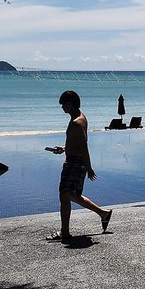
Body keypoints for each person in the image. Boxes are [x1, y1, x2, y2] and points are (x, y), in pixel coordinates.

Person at [47, 90, 112, 241]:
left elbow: (83, 146)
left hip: (75, 163)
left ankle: (65, 232)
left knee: (65, 195)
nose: (62, 107)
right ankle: (103, 213)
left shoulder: (77, 122)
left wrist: (89, 167)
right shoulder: (80, 117)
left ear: (70, 104)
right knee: (69, 195)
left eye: (63, 104)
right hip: (75, 160)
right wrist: (64, 149)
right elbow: (76, 143)